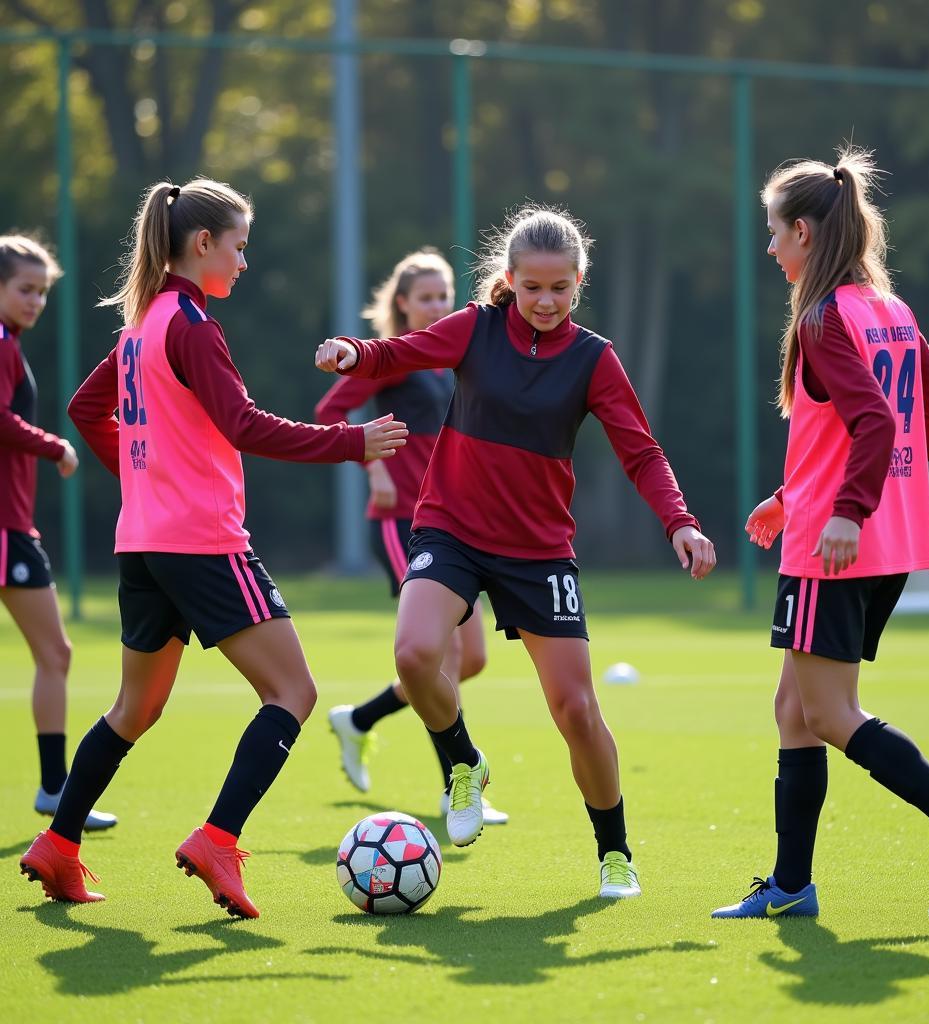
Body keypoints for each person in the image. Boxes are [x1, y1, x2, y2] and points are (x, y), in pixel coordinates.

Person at [18, 179, 408, 918]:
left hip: (143, 542)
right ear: (203, 245)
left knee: (133, 710)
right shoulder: (189, 323)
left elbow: (84, 408)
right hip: (201, 541)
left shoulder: (143, 323)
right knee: (293, 694)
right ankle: (217, 840)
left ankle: (58, 845)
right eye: (239, 246)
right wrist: (353, 442)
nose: (244, 261)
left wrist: (144, 482)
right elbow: (245, 424)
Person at [316, 205, 716, 899]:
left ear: (578, 284)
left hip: (538, 550)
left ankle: (614, 853)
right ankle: (463, 762)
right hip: (450, 529)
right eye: (532, 287)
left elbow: (641, 451)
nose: (545, 301)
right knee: (413, 656)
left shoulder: (595, 359)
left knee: (577, 711)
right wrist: (353, 352)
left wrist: (678, 521)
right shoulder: (473, 328)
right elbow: (398, 353)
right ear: (509, 280)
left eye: (559, 288)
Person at [711, 148, 929, 921]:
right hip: (883, 543)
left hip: (834, 546)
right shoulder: (889, 310)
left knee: (830, 714)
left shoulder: (822, 318)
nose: (771, 248)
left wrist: (843, 509)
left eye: (775, 233)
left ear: (805, 232)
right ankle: (790, 886)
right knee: (794, 710)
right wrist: (809, 492)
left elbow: (877, 420)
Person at [316, 248, 508, 826]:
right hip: (403, 521)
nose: (437, 305)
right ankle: (458, 788)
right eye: (425, 297)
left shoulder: (452, 355)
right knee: (442, 653)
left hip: (454, 522)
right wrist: (372, 466)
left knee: (468, 657)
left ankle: (360, 720)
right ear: (401, 303)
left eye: (444, 295)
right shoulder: (394, 359)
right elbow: (330, 412)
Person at [0, 234, 116, 833]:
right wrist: (56, 446)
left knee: (56, 652)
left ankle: (54, 787)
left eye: (42, 291)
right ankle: (53, 789)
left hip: (15, 527)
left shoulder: (10, 344)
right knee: (55, 652)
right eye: (24, 288)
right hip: (6, 530)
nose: (35, 300)